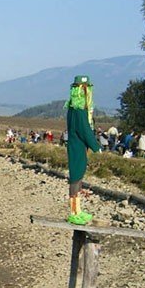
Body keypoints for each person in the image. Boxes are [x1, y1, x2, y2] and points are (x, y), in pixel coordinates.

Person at [64, 75, 100, 224]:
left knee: (78, 176)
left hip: (77, 145)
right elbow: (84, 129)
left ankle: (78, 209)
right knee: (76, 176)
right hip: (77, 145)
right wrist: (96, 146)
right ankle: (73, 211)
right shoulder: (78, 111)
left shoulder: (74, 109)